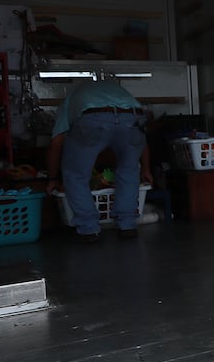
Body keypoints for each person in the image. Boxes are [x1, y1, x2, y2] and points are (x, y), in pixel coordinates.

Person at [46, 78, 151, 241]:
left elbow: (56, 143)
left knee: (76, 175)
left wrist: (52, 178)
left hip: (92, 118)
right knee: (129, 170)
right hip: (133, 118)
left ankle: (89, 228)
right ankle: (127, 224)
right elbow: (141, 139)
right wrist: (145, 169)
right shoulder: (119, 92)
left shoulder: (72, 98)